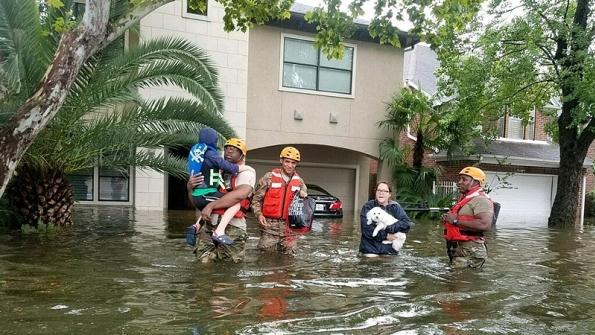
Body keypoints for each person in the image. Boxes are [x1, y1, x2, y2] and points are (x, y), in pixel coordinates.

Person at [187, 138, 256, 263]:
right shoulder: (215, 171)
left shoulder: (247, 173)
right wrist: (190, 189)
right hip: (209, 226)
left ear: (242, 155)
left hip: (233, 227)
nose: (229, 152)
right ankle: (197, 226)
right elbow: (197, 204)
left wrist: (211, 206)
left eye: (234, 150)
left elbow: (240, 195)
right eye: (227, 149)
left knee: (228, 270)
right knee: (202, 266)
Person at [251, 146, 308, 254]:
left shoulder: (300, 182)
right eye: (287, 161)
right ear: (281, 160)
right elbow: (256, 200)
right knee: (265, 258)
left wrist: (303, 196)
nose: (290, 165)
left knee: (289, 262)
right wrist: (259, 215)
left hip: (290, 230)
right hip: (269, 228)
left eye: (293, 163)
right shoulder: (268, 178)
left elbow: (304, 207)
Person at [442, 166, 494, 269]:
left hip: (471, 249)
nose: (459, 182)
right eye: (460, 179)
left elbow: (485, 224)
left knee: (458, 282)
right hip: (460, 247)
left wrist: (455, 220)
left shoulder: (481, 200)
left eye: (464, 179)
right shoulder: (466, 199)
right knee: (453, 282)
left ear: (476, 182)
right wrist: (448, 219)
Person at [359, 181, 412, 256]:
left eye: (385, 191)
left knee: (390, 264)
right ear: (376, 192)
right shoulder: (368, 207)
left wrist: (388, 228)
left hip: (389, 250)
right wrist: (386, 236)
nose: (381, 193)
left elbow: (406, 224)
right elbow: (366, 231)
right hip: (370, 249)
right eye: (379, 190)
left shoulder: (395, 207)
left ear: (389, 194)